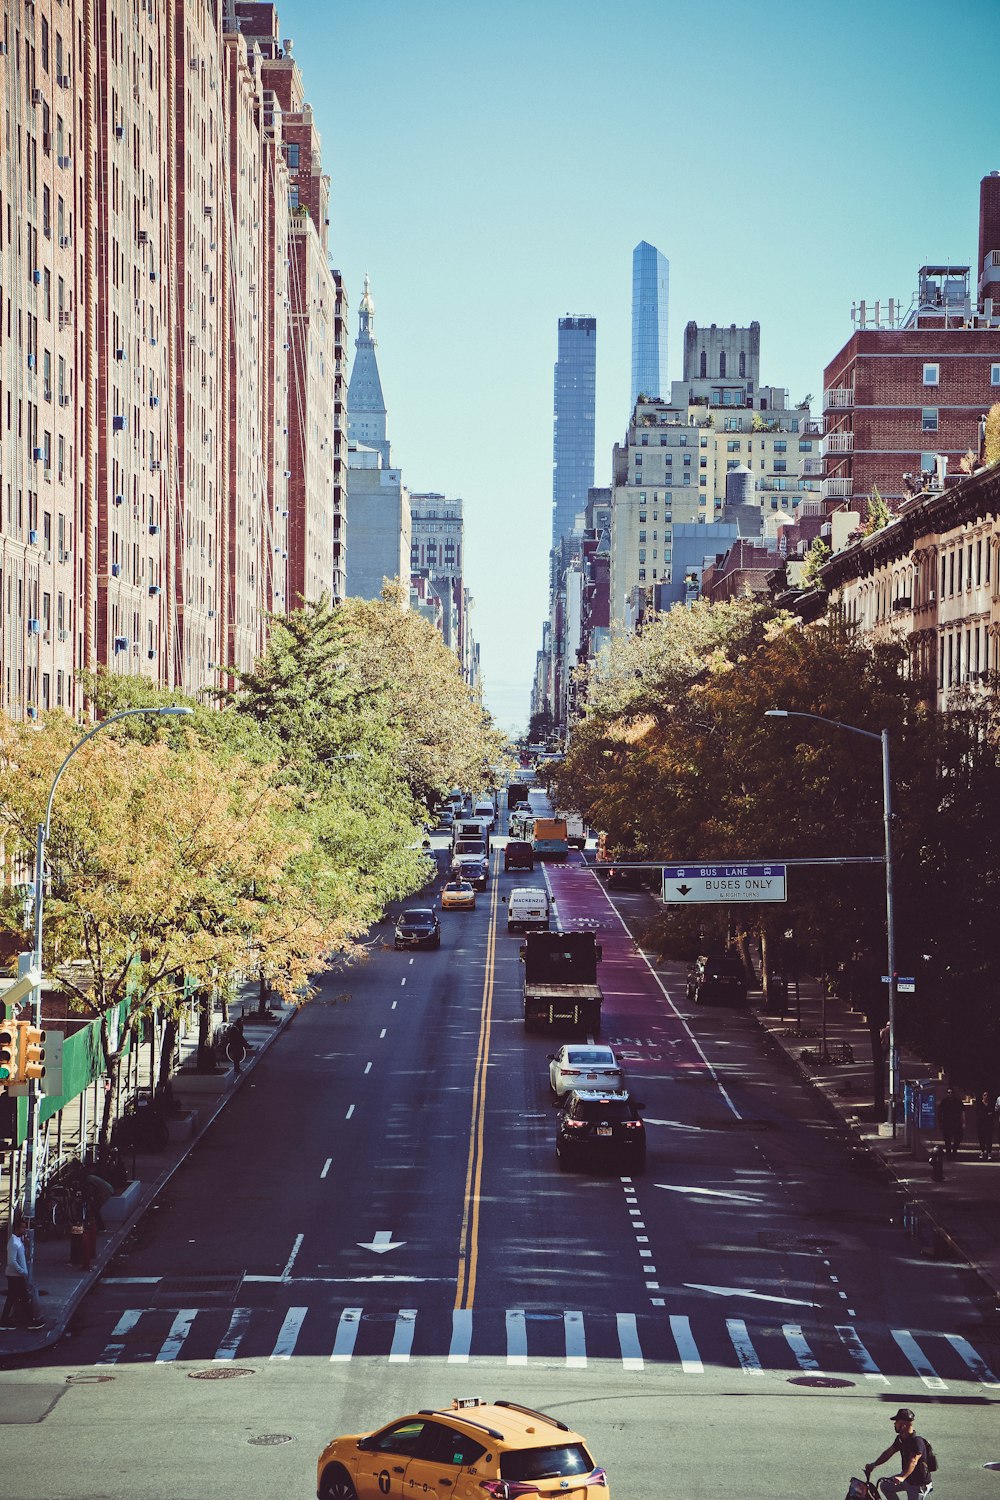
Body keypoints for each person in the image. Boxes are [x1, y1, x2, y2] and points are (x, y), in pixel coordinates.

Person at [865, 1409, 932, 1500]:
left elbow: (913, 1461)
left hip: (918, 1485)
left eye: (896, 1421)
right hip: (907, 1479)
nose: (894, 1424)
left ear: (903, 1425)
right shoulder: (901, 1439)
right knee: (885, 1486)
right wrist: (874, 1464)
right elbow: (889, 1452)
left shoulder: (917, 1441)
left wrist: (902, 1477)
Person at [0, 1216, 43, 1331]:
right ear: (17, 1229)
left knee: (13, 1297)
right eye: (23, 1227)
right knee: (22, 1298)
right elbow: (11, 1261)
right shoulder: (14, 1242)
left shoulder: (18, 1240)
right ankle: (30, 1321)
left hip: (16, 1275)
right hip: (15, 1276)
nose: (25, 1229)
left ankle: (5, 1320)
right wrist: (22, 1271)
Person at [937, 1086, 965, 1156]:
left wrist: (963, 1122)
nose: (950, 1094)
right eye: (949, 1093)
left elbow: (962, 1112)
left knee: (958, 1138)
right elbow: (940, 1112)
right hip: (947, 1122)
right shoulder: (944, 1101)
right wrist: (940, 1122)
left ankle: (954, 1149)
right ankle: (948, 1153)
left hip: (956, 1122)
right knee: (947, 1139)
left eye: (951, 1092)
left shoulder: (958, 1101)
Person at [974, 1090, 995, 1161]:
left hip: (989, 1124)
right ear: (982, 1096)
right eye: (984, 1095)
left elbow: (993, 1113)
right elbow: (978, 1113)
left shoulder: (991, 1104)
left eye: (987, 1095)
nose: (986, 1097)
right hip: (981, 1124)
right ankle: (982, 1151)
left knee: (989, 1138)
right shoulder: (979, 1104)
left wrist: (987, 1114)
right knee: (981, 1138)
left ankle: (989, 1152)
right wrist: (986, 1114)